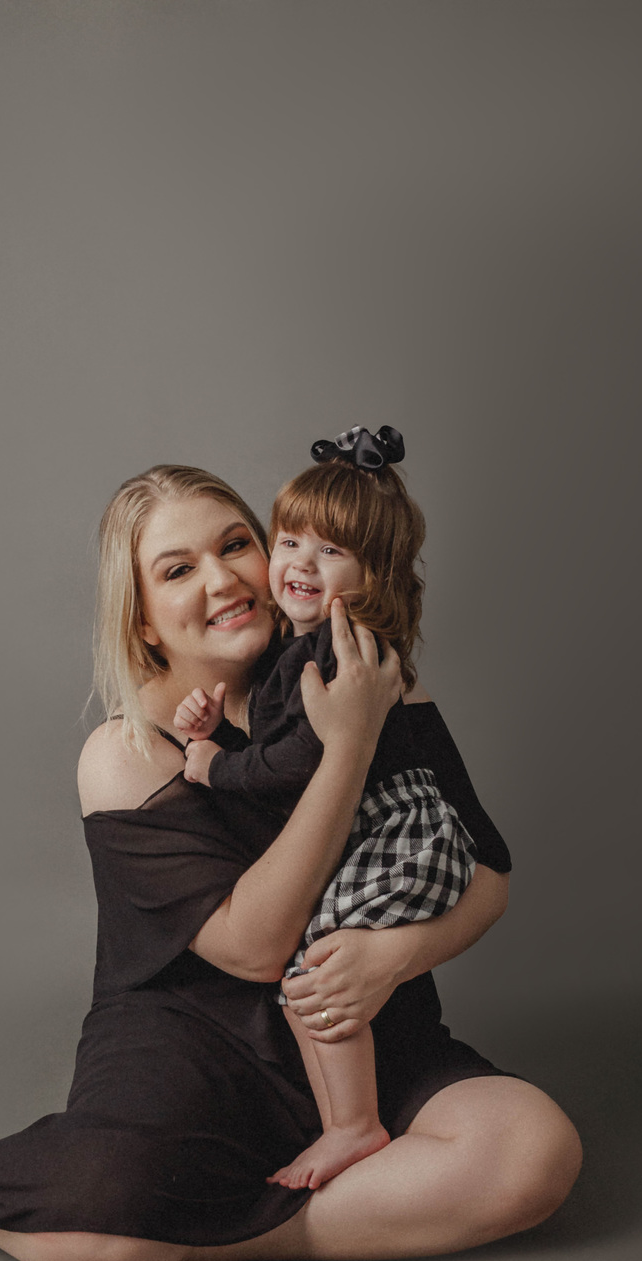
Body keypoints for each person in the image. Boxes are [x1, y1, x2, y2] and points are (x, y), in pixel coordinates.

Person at [0, 464, 581, 1261]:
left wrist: (393, 957)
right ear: (143, 618)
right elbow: (257, 948)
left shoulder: (360, 671)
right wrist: (351, 746)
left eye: (236, 545)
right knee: (103, 1201)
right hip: (194, 1051)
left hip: (352, 1023)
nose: (222, 579)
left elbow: (489, 874)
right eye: (179, 570)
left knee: (533, 1154)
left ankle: (183, 1245)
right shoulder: (125, 754)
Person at [173, 425, 480, 1193]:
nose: (300, 564)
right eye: (289, 541)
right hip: (387, 832)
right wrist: (220, 729)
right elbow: (290, 741)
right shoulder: (301, 646)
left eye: (331, 551)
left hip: (400, 835)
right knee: (304, 978)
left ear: (373, 572)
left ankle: (354, 1125)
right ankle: (343, 1119)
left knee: (314, 970)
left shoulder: (339, 653)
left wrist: (215, 765)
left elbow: (297, 764)